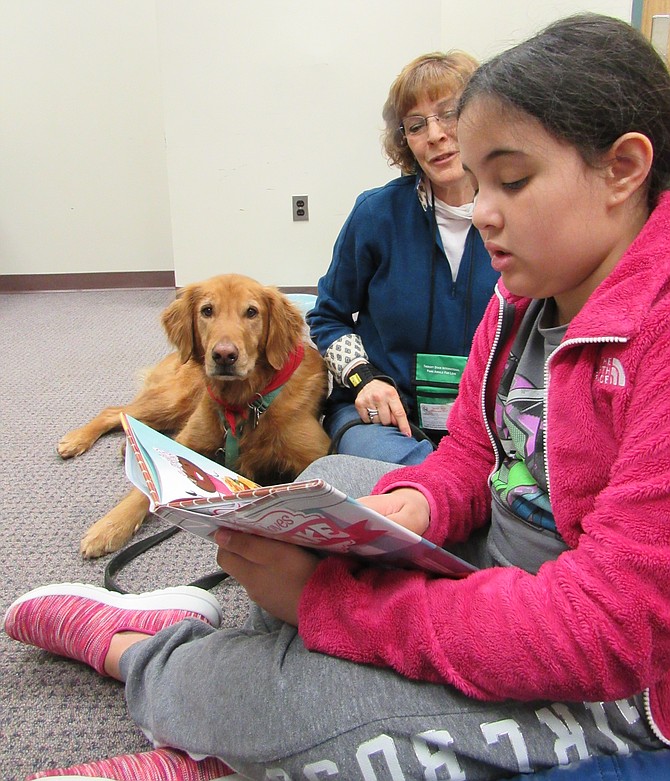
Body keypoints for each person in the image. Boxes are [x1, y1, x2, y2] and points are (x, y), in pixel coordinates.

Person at [6, 13, 670, 781]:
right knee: (330, 491)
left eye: (511, 181)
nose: (483, 207)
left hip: (613, 679)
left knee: (273, 695)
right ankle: (265, 692)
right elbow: (470, 453)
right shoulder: (522, 290)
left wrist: (331, 604)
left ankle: (151, 661)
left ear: (622, 168)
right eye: (479, 183)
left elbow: (604, 632)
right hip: (506, 547)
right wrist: (420, 500)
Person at [307, 51, 499, 465]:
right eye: (416, 125)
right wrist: (364, 379)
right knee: (415, 480)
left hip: (487, 425)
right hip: (381, 420)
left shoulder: (517, 218)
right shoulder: (376, 214)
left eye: (449, 114)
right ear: (405, 140)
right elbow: (327, 317)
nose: (434, 135)